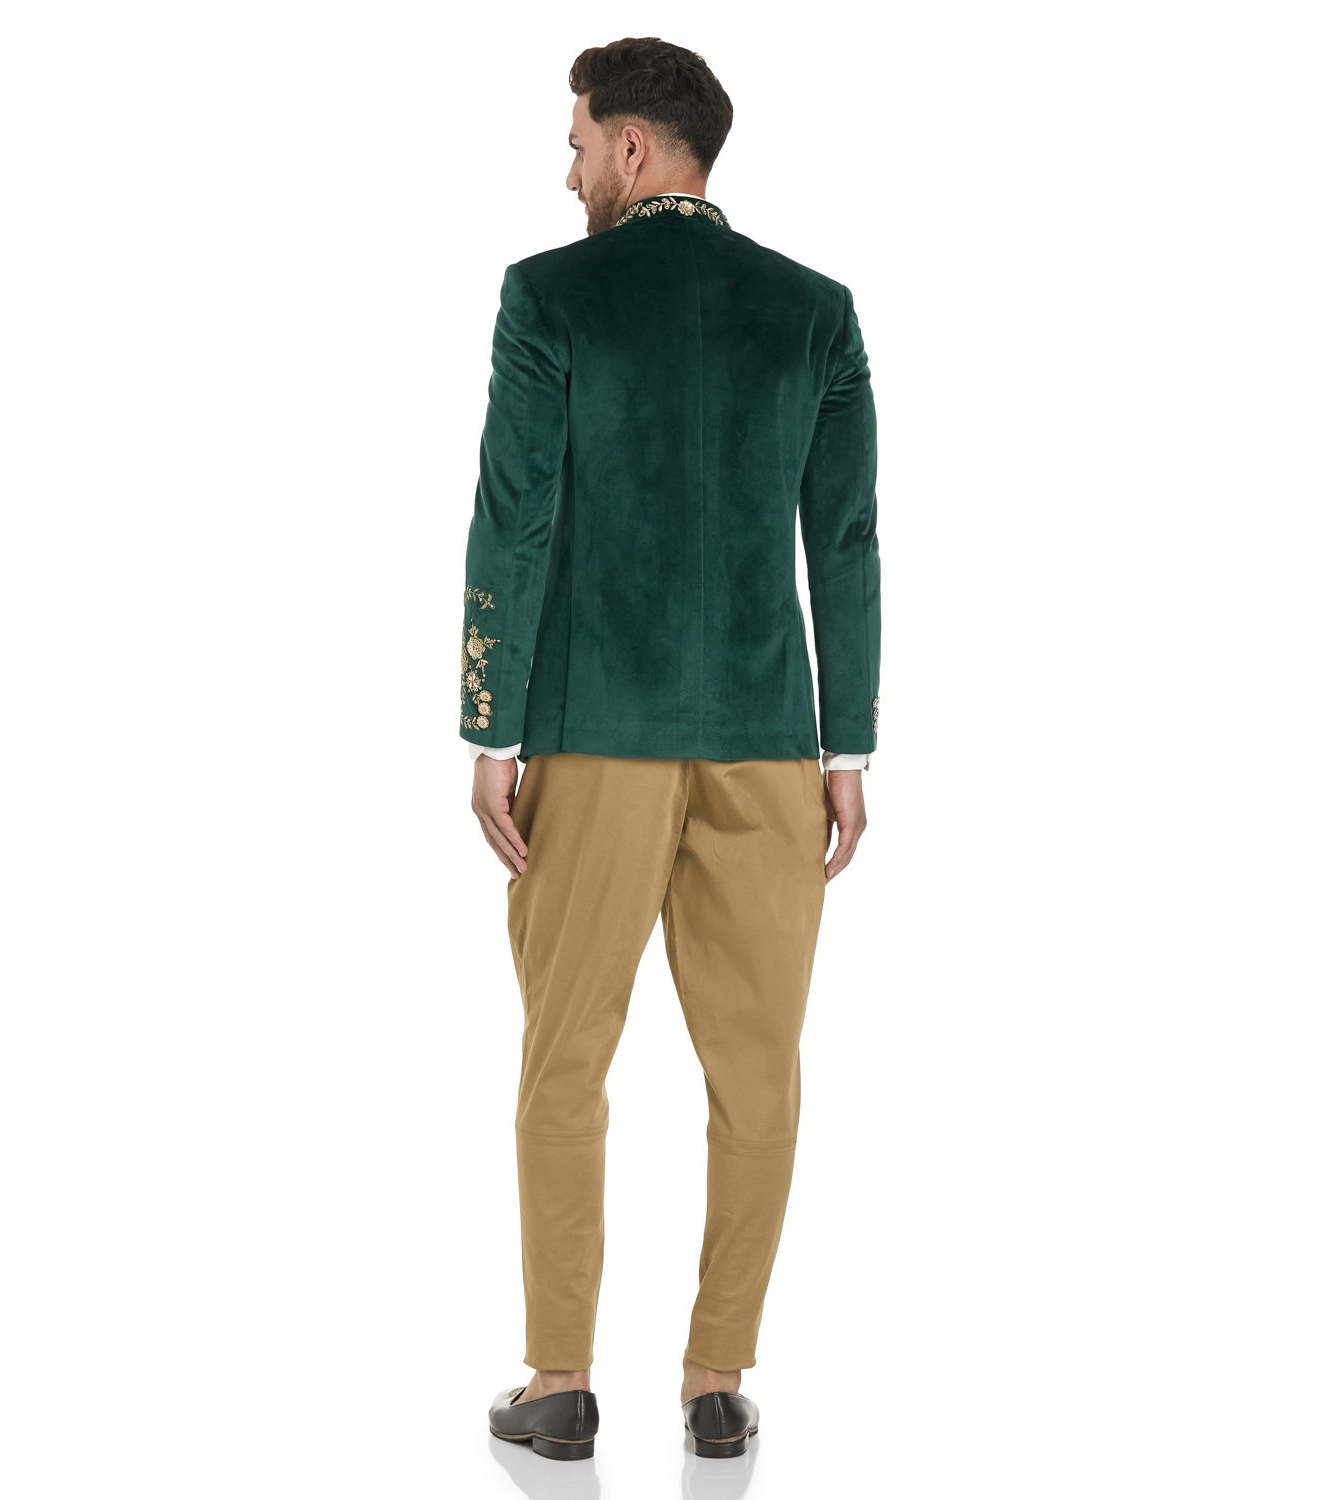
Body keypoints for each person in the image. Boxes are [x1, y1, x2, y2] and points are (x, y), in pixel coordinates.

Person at [463, 37, 881, 1463]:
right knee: (759, 1074)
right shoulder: (813, 312)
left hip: (596, 739)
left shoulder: (551, 296)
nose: (570, 169)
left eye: (579, 142)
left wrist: (490, 727)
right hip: (770, 745)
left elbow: (513, 514)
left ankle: (560, 1382)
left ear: (634, 148)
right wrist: (847, 749)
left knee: (564, 1059)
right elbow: (846, 541)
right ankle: (714, 1383)